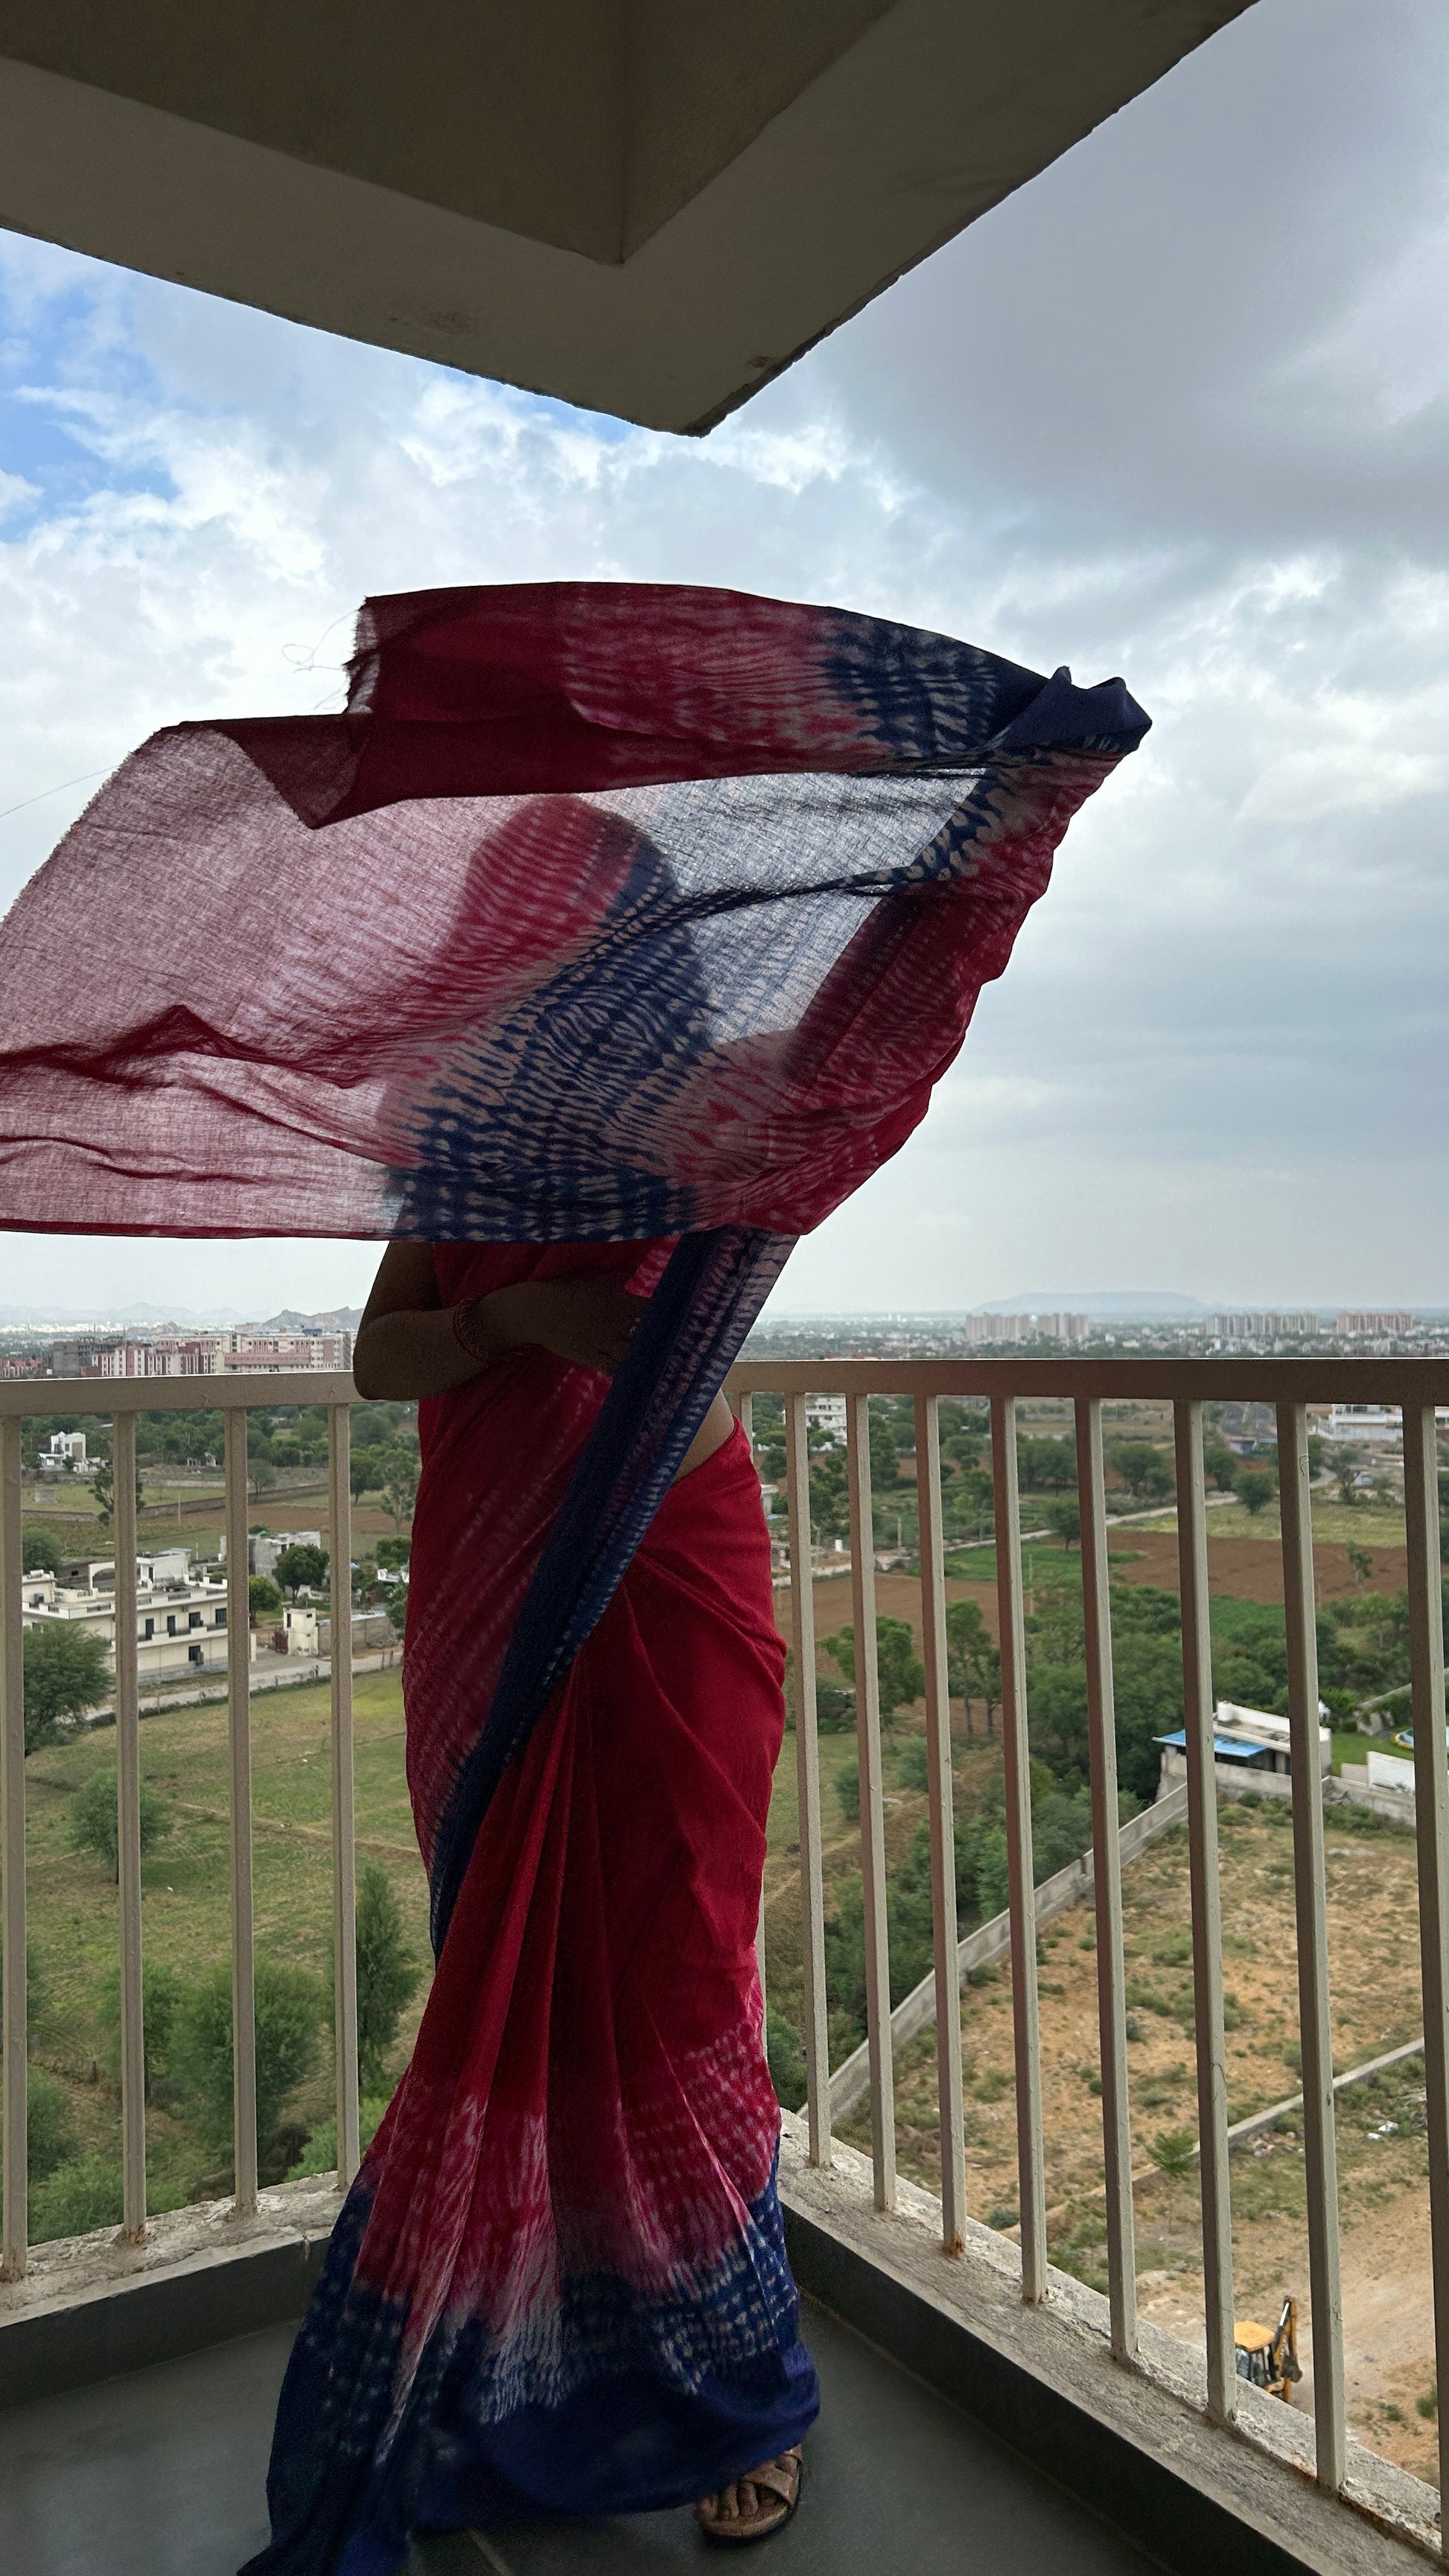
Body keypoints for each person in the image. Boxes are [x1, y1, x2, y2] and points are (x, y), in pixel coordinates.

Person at [242, 1234, 816, 2572]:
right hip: (491, 1586)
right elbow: (382, 1361)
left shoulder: (710, 1105)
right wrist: (518, 1319)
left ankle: (738, 2397)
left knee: (676, 1969)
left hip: (667, 1556)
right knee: (515, 1980)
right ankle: (501, 2365)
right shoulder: (470, 1137)